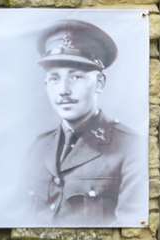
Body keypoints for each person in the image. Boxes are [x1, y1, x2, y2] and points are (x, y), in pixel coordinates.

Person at [25, 19, 145, 226]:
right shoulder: (39, 147)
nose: (63, 90)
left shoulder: (131, 148)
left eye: (76, 77)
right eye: (54, 78)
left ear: (99, 83)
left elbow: (130, 225)